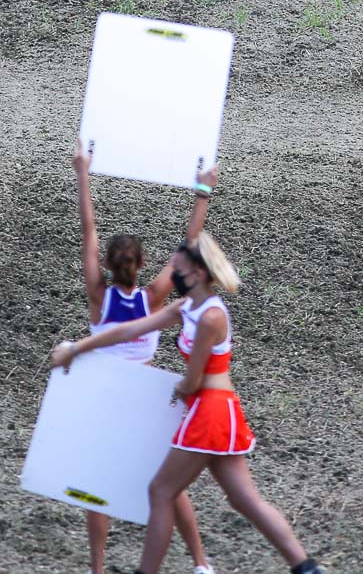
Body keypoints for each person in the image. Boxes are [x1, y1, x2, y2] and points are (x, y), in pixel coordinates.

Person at [51, 236, 326, 574]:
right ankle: (306, 567)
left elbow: (192, 381)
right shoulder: (188, 307)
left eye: (178, 270)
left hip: (209, 412)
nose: (174, 275)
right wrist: (77, 348)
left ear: (197, 272)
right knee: (243, 499)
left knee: (162, 491)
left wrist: (177, 388)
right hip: (219, 411)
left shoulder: (210, 317)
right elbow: (131, 329)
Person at [71, 142, 218, 574]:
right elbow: (189, 245)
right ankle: (200, 562)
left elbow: (88, 230)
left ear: (108, 264)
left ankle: (97, 568)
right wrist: (202, 191)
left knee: (95, 485)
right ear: (142, 263)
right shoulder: (154, 298)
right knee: (171, 484)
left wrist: (83, 173)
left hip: (103, 397)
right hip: (144, 396)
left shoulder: (98, 296)